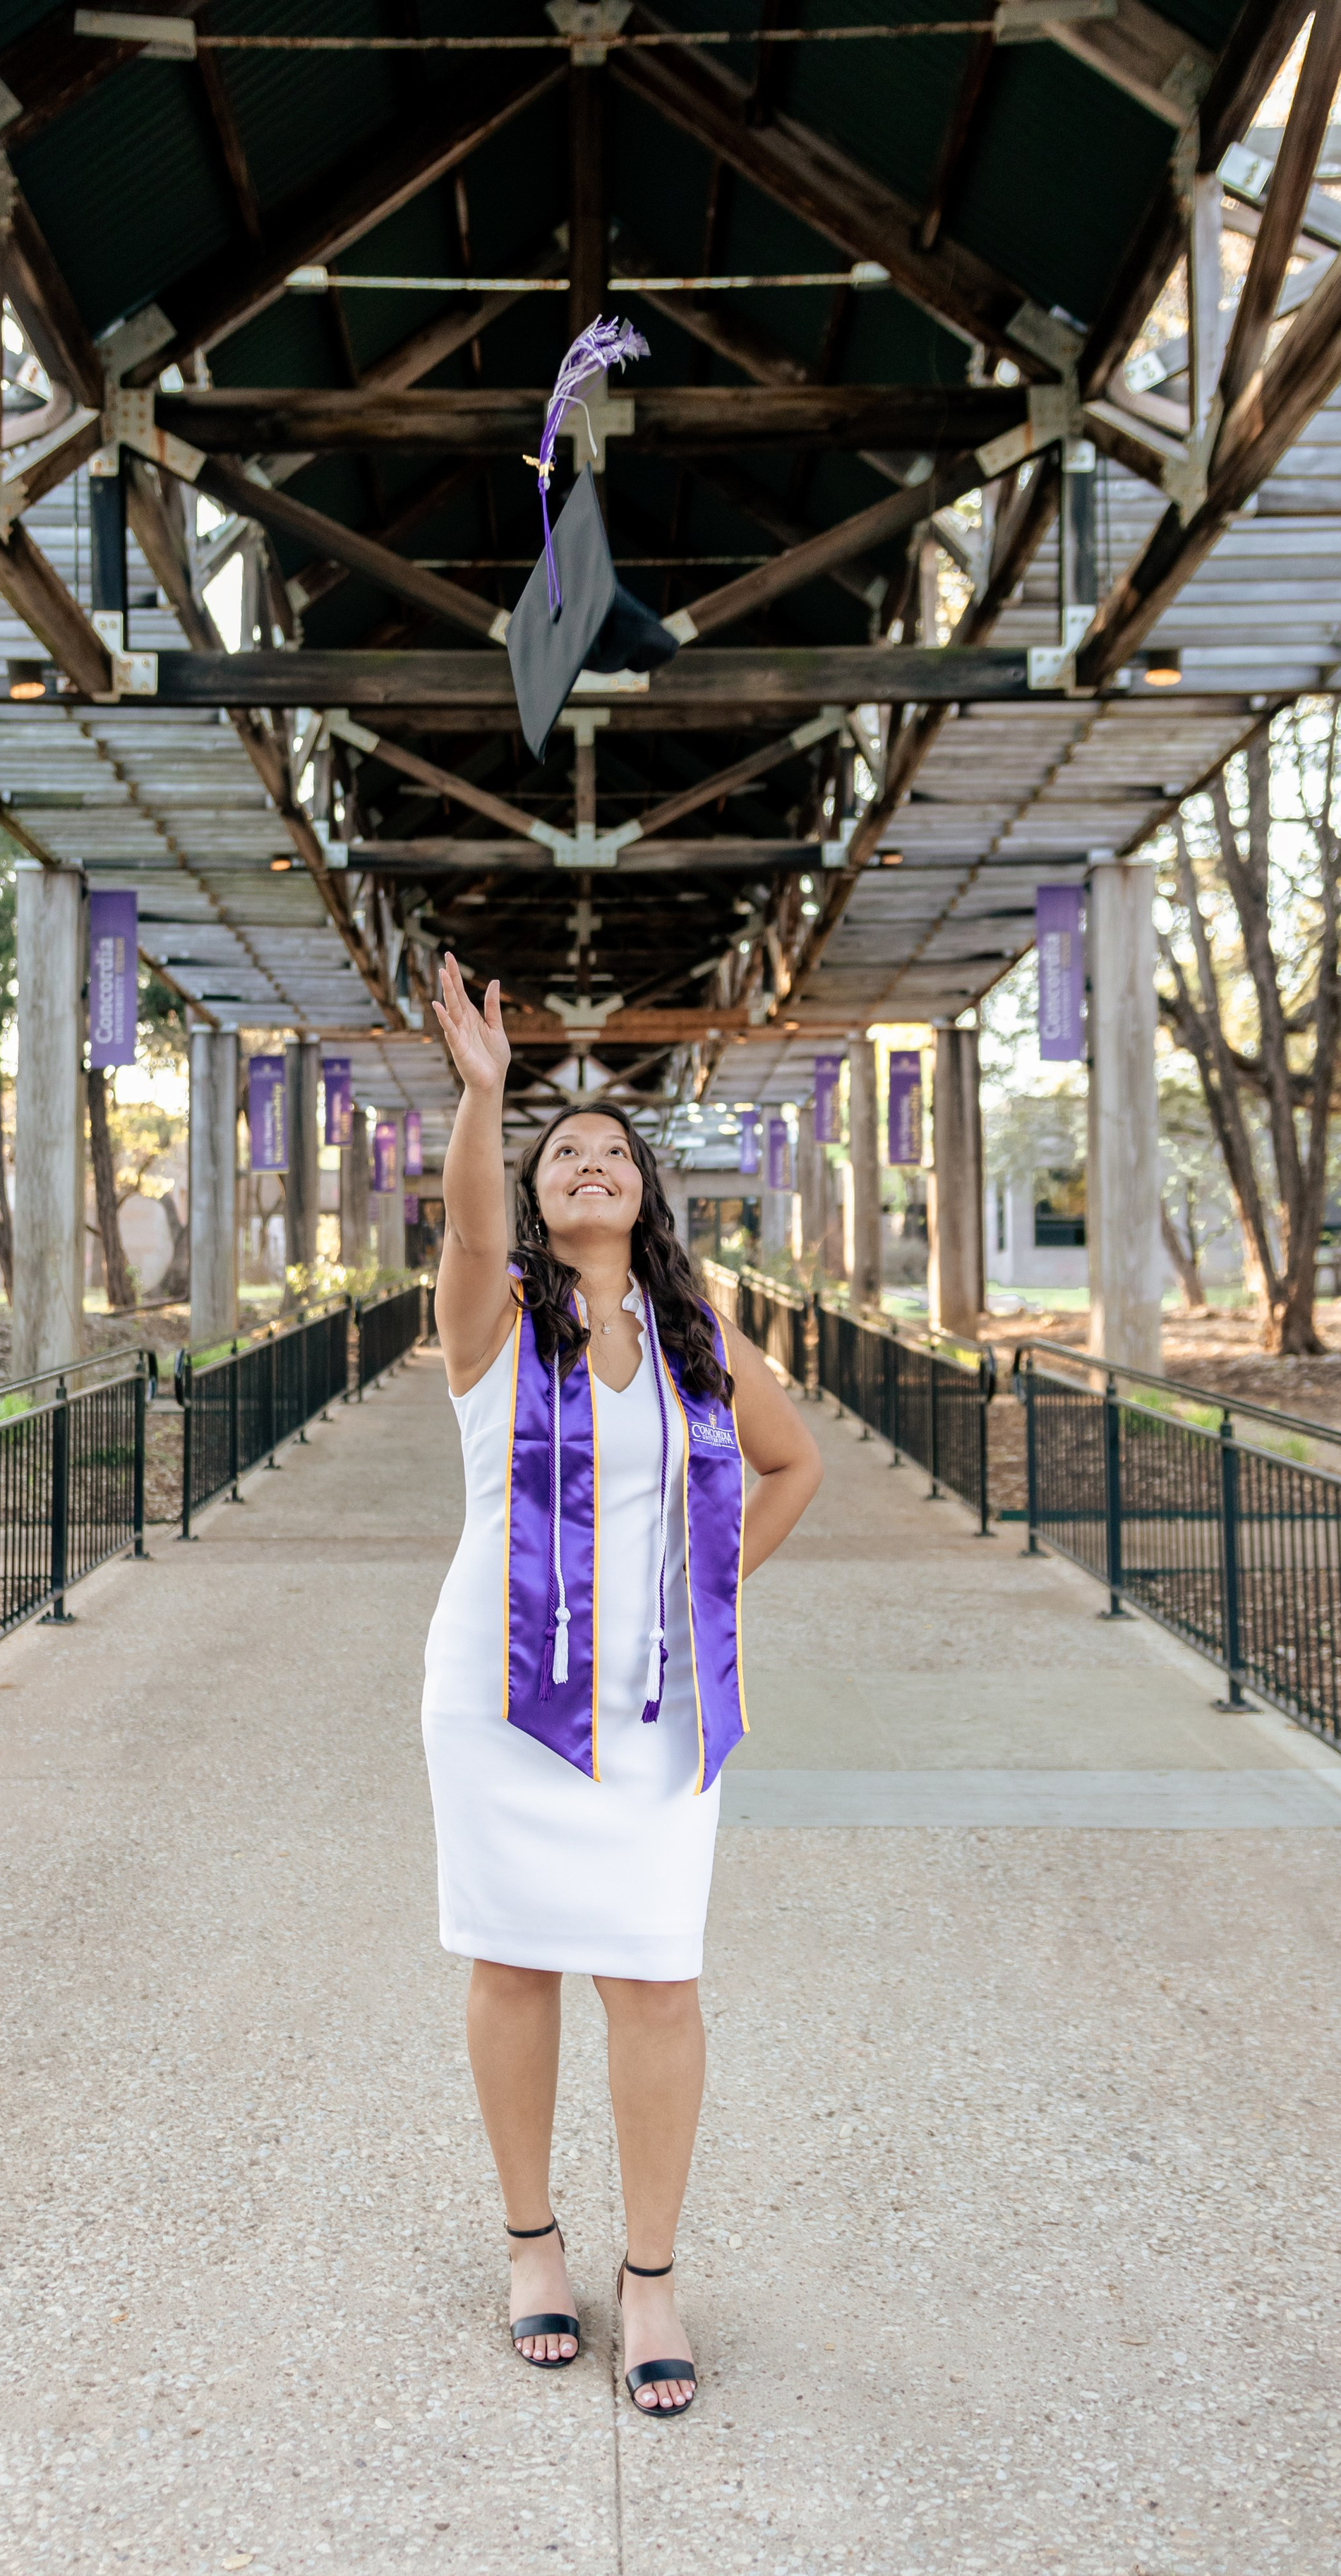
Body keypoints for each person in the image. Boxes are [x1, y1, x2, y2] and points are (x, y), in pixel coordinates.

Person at [424, 953, 823, 2416]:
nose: (585, 1160)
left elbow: (793, 1466)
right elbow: (469, 1220)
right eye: (557, 1154)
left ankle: (648, 2273)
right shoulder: (488, 1318)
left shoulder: (702, 1343)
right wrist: (484, 1096)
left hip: (657, 1711)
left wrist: (702, 1595)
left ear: (646, 1191)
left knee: (656, 1977)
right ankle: (533, 2243)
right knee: (513, 1959)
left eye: (610, 1150)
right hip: (495, 1693)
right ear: (533, 1198)